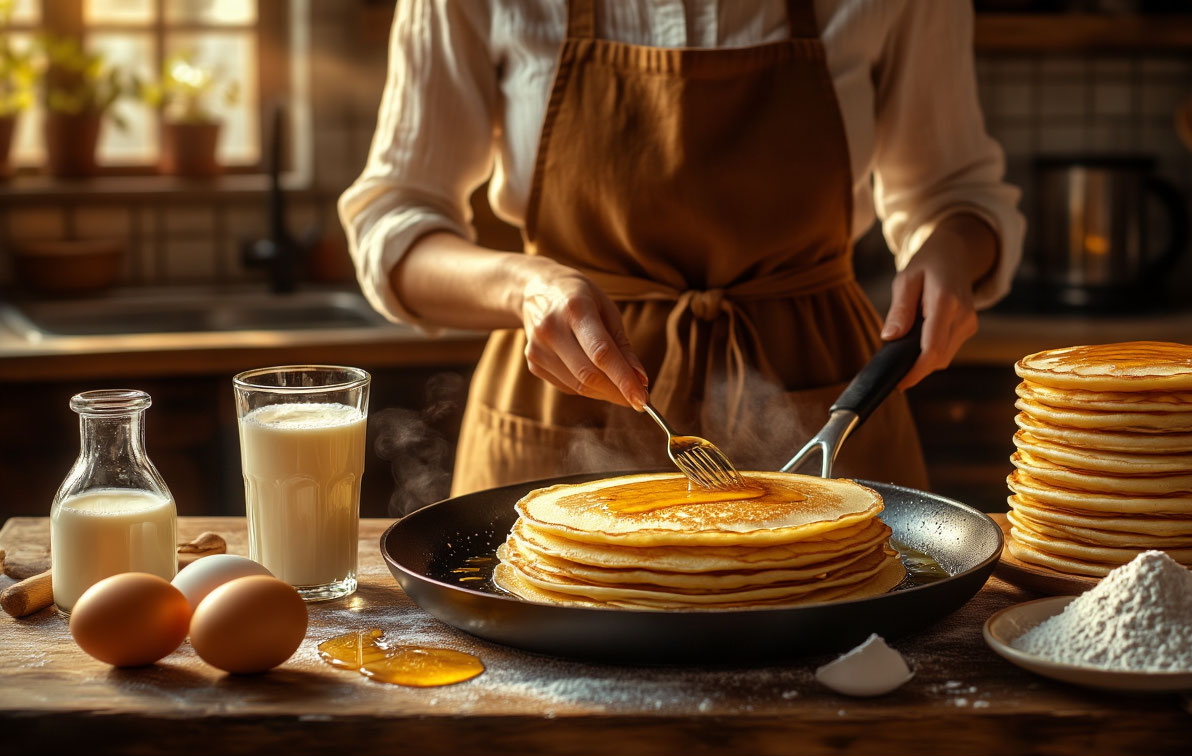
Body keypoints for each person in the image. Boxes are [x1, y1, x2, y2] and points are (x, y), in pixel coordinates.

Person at [339, 0, 1025, 496]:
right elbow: (393, 219)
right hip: (565, 391)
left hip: (829, 392)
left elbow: (956, 192)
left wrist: (952, 247)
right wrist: (527, 288)